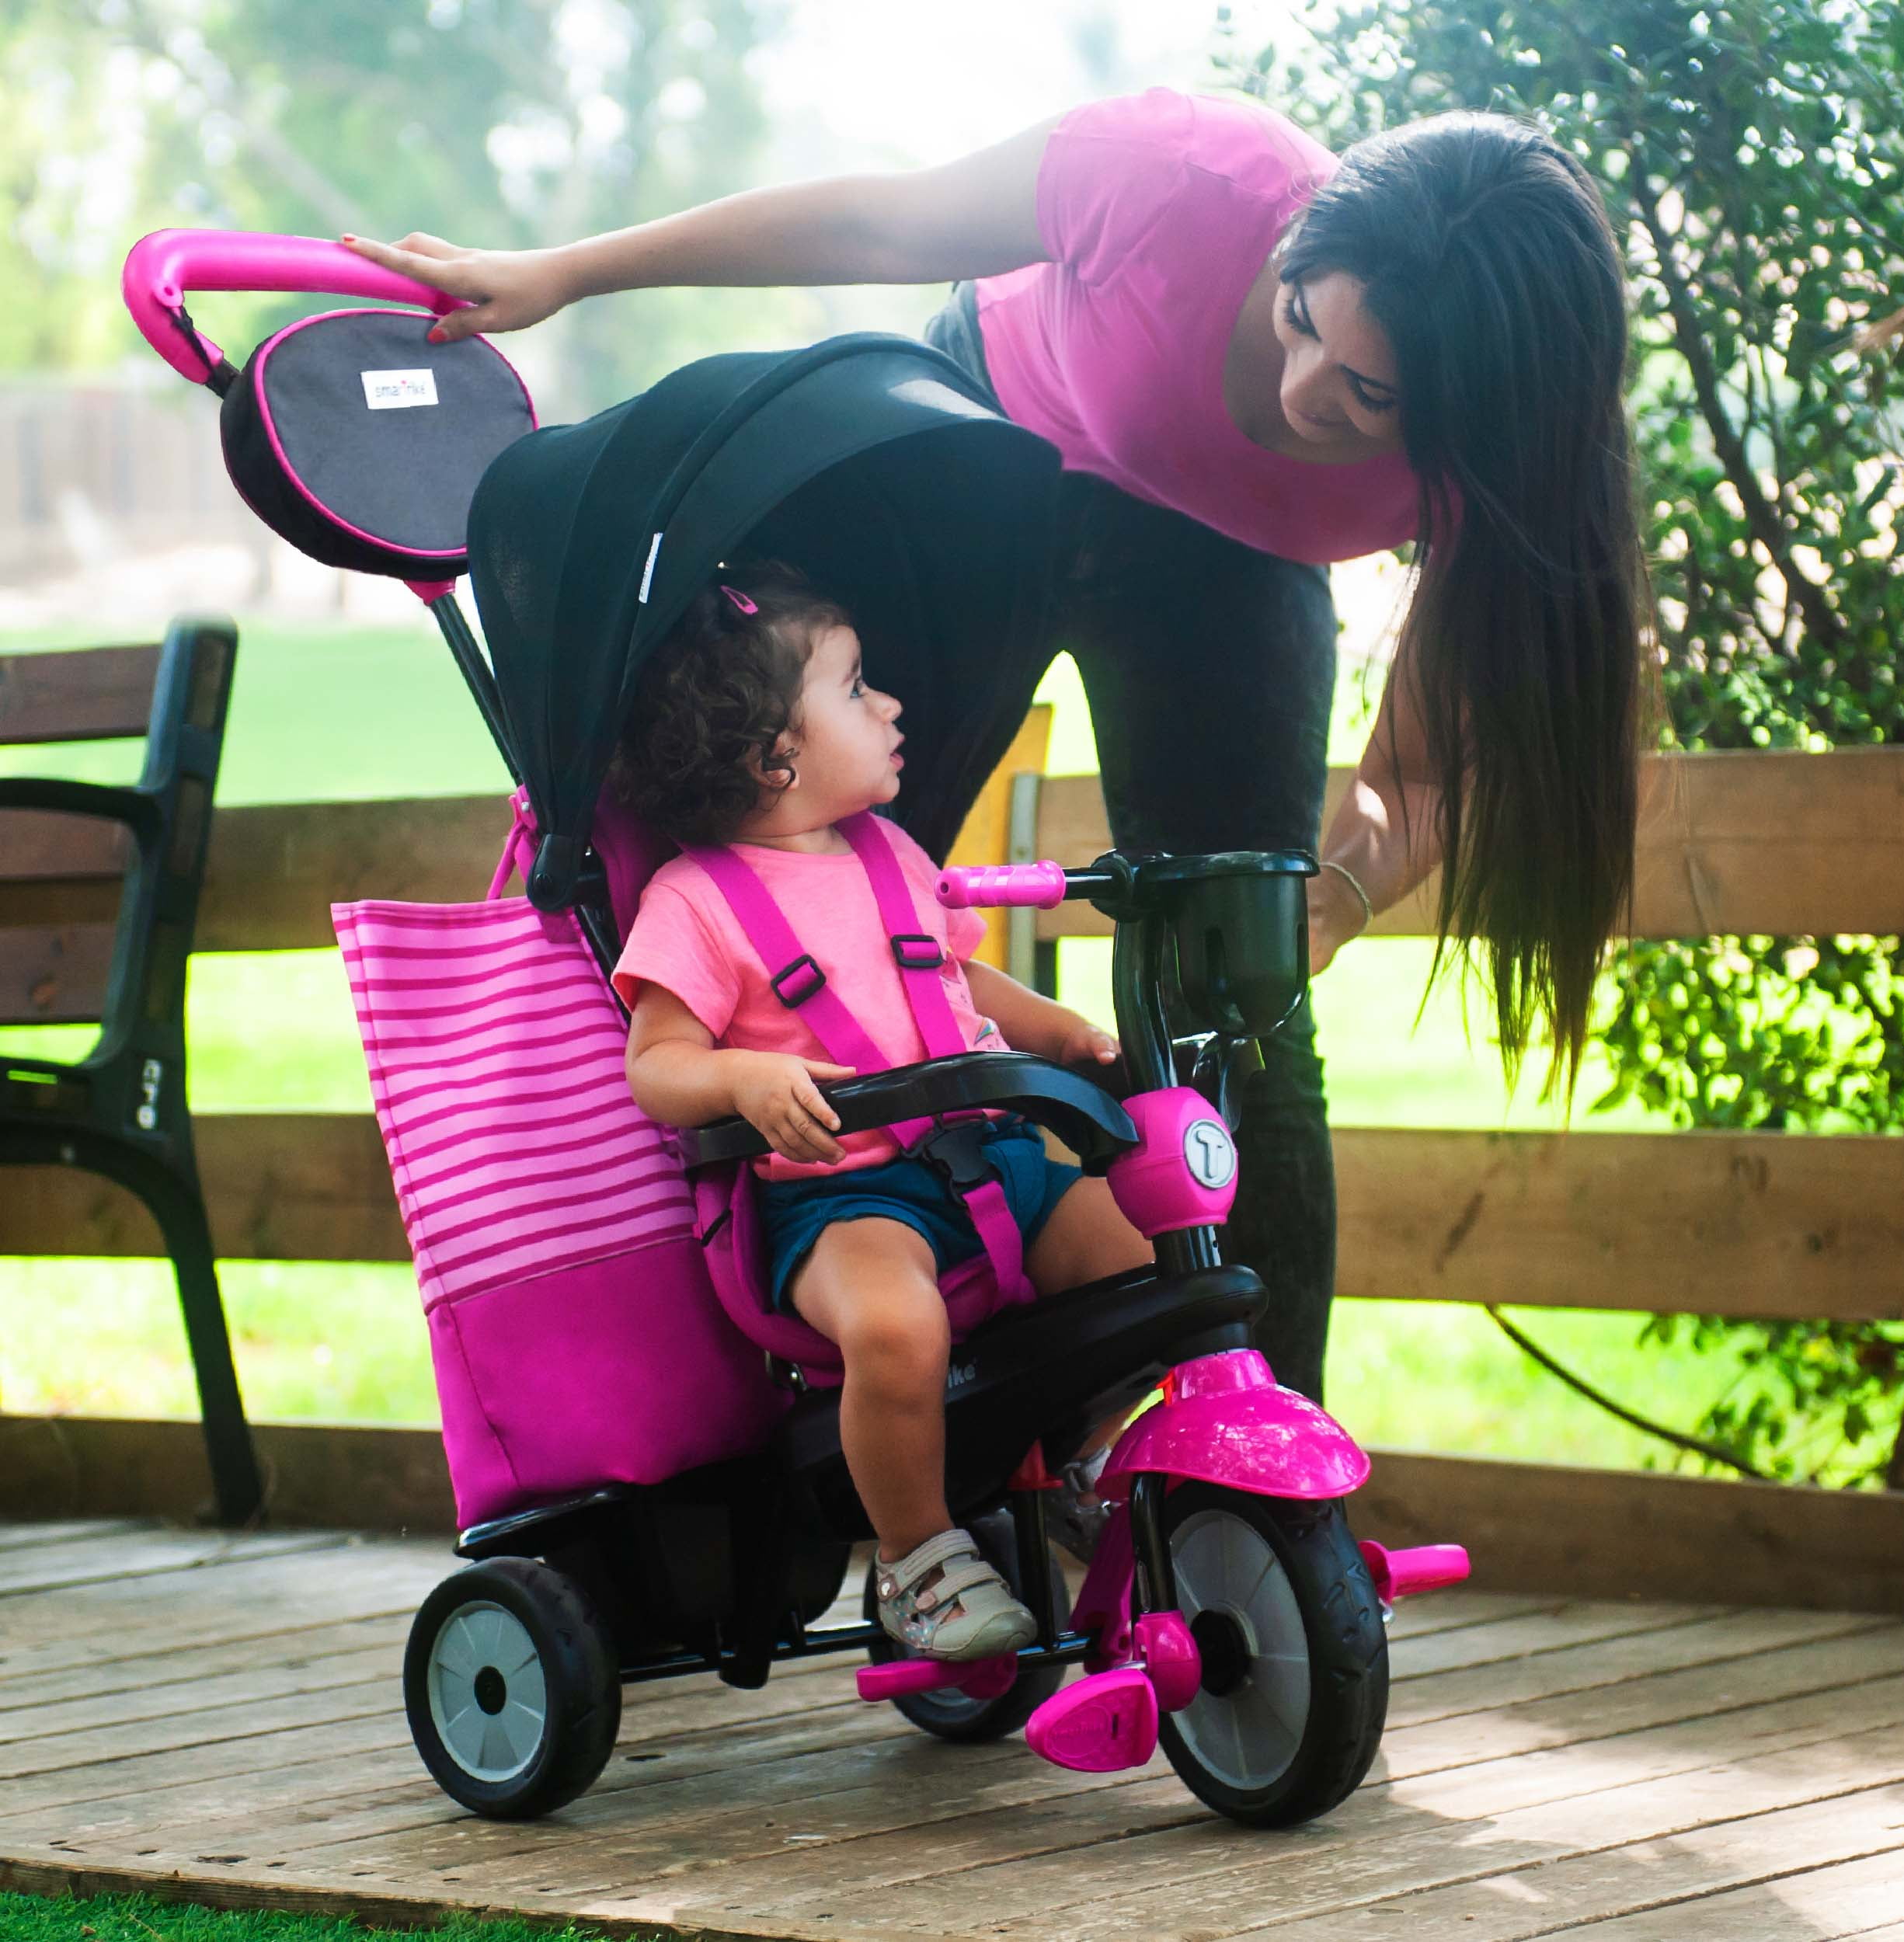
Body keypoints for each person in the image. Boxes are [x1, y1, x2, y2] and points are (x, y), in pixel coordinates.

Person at [347, 87, 1649, 1405]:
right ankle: (787, 1425)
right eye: (1299, 314)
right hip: (984, 465)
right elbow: (878, 221)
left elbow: (1421, 777)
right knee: (781, 892)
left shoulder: (1505, 467)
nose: (1303, 392)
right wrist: (566, 273)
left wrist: (1314, 918)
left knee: (1241, 1023)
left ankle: (1250, 1485)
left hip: (1226, 572)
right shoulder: (1179, 173)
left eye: (1371, 394)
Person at [611, 562, 1153, 1660]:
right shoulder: (696, 900)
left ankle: (1088, 1461)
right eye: (858, 689)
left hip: (990, 1157)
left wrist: (1054, 1029)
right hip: (845, 1199)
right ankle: (920, 1559)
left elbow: (954, 984)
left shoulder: (890, 854)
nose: (894, 706)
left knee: (1147, 1267)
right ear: (776, 753)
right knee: (895, 1331)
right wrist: (744, 1080)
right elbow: (656, 1063)